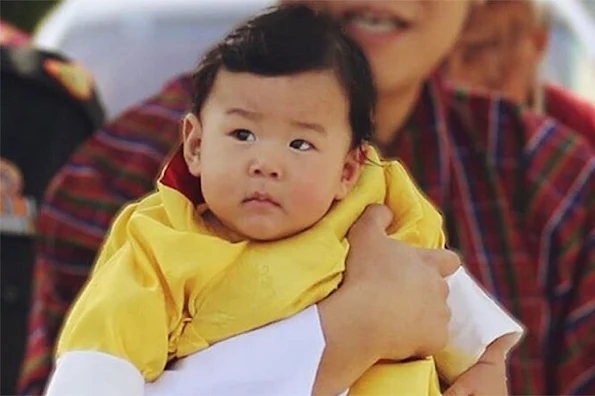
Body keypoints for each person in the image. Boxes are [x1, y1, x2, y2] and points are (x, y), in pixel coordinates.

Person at [19, 0, 595, 395]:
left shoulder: (555, 181)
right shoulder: (130, 202)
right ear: (193, 143)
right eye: (241, 134)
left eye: (301, 142)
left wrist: (488, 357)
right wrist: (342, 335)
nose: (266, 162)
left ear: (351, 168)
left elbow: (452, 294)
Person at [446, 0, 595, 148]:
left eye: (491, 45)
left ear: (538, 42)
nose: (488, 64)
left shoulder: (585, 132)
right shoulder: (435, 123)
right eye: (471, 51)